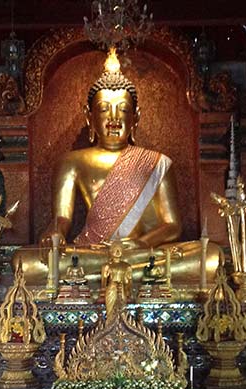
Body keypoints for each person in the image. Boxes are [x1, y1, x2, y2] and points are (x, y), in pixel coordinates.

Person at [16, 48, 220, 289]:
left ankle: (101, 276)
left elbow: (173, 225)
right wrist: (54, 235)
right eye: (103, 110)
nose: (113, 118)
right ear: (89, 117)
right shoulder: (71, 162)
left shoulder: (158, 162)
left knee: (211, 256)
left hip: (143, 253)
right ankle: (123, 275)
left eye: (123, 110)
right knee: (23, 262)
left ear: (136, 117)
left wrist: (141, 244)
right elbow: (62, 218)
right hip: (95, 252)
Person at [100, 239, 132, 317]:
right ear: (111, 251)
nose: (117, 252)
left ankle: (121, 326)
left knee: (122, 310)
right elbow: (104, 282)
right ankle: (110, 324)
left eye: (120, 249)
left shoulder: (127, 266)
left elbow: (128, 281)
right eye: (115, 249)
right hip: (111, 288)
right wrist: (103, 290)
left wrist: (128, 291)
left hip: (122, 289)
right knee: (110, 312)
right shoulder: (107, 266)